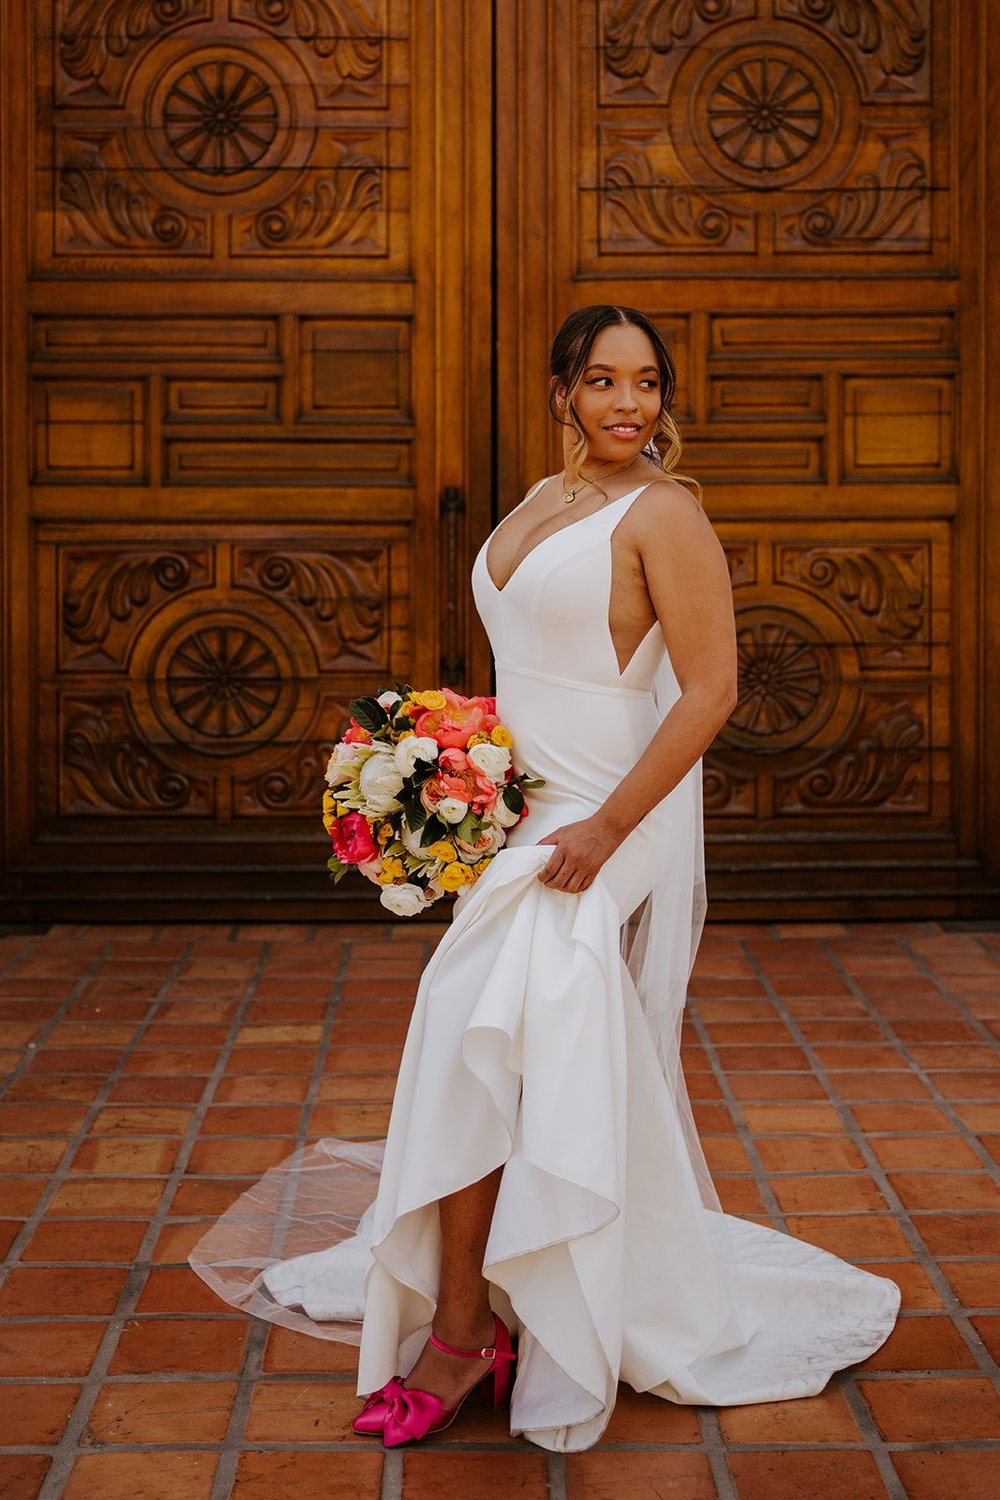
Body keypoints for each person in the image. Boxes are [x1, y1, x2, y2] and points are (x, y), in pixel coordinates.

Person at [190, 304, 900, 1452]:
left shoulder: (664, 515)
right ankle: (489, 1309)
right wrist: (455, 768)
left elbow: (711, 691)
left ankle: (468, 1324)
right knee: (499, 1042)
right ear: (563, 390)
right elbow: (528, 661)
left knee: (486, 1014)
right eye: (606, 381)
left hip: (615, 813)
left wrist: (607, 831)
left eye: (649, 383)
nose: (630, 403)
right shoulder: (538, 499)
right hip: (531, 810)